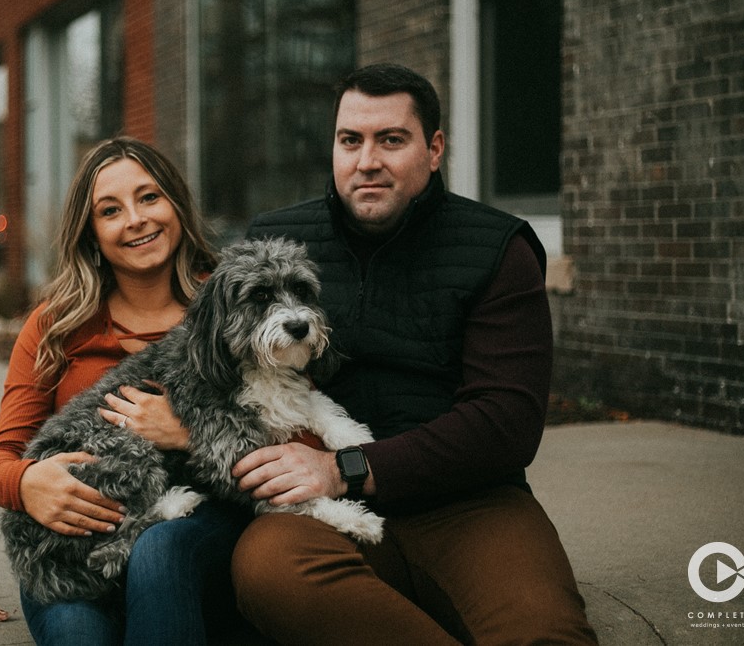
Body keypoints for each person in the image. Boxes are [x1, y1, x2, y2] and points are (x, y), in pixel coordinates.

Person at [233, 63, 598, 644]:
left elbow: (506, 423)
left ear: (434, 149)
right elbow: (219, 365)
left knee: (545, 634)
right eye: (350, 140)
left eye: (391, 140)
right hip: (321, 514)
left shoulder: (496, 248)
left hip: (469, 504)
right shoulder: (277, 242)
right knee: (267, 568)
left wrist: (345, 468)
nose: (367, 160)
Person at [0, 137, 253, 645]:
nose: (136, 219)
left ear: (176, 203)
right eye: (111, 210)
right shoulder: (56, 326)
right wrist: (27, 484)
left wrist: (189, 434)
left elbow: (290, 436)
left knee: (160, 549)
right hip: (77, 548)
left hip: (194, 533)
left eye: (149, 198)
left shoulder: (233, 304)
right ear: (92, 233)